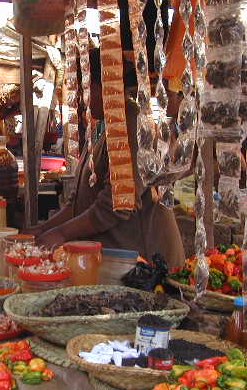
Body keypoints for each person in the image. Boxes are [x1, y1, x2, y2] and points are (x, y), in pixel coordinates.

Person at [26, 50, 185, 268]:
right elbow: (79, 202)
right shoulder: (104, 126)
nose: (81, 98)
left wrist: (60, 234)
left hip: (144, 262)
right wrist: (44, 229)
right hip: (118, 259)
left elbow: (116, 205)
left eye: (84, 88)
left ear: (106, 85)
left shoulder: (131, 124)